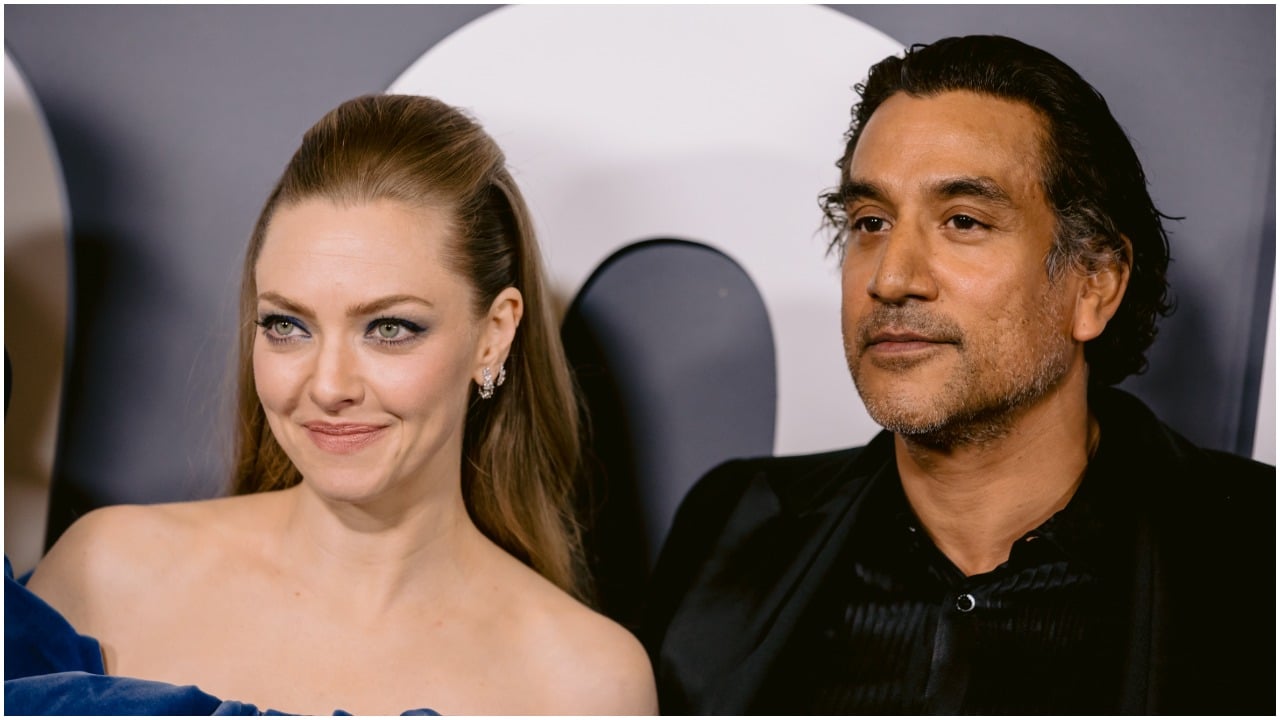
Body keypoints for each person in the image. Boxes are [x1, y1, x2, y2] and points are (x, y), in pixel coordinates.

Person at [642, 35, 1275, 715]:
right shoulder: (737, 529)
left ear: (1094, 283)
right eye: (871, 222)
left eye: (964, 221)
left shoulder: (1254, 551)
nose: (891, 278)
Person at [18, 94, 657, 715]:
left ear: (494, 334)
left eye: (389, 328)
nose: (328, 386)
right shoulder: (109, 571)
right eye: (287, 326)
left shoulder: (587, 683)